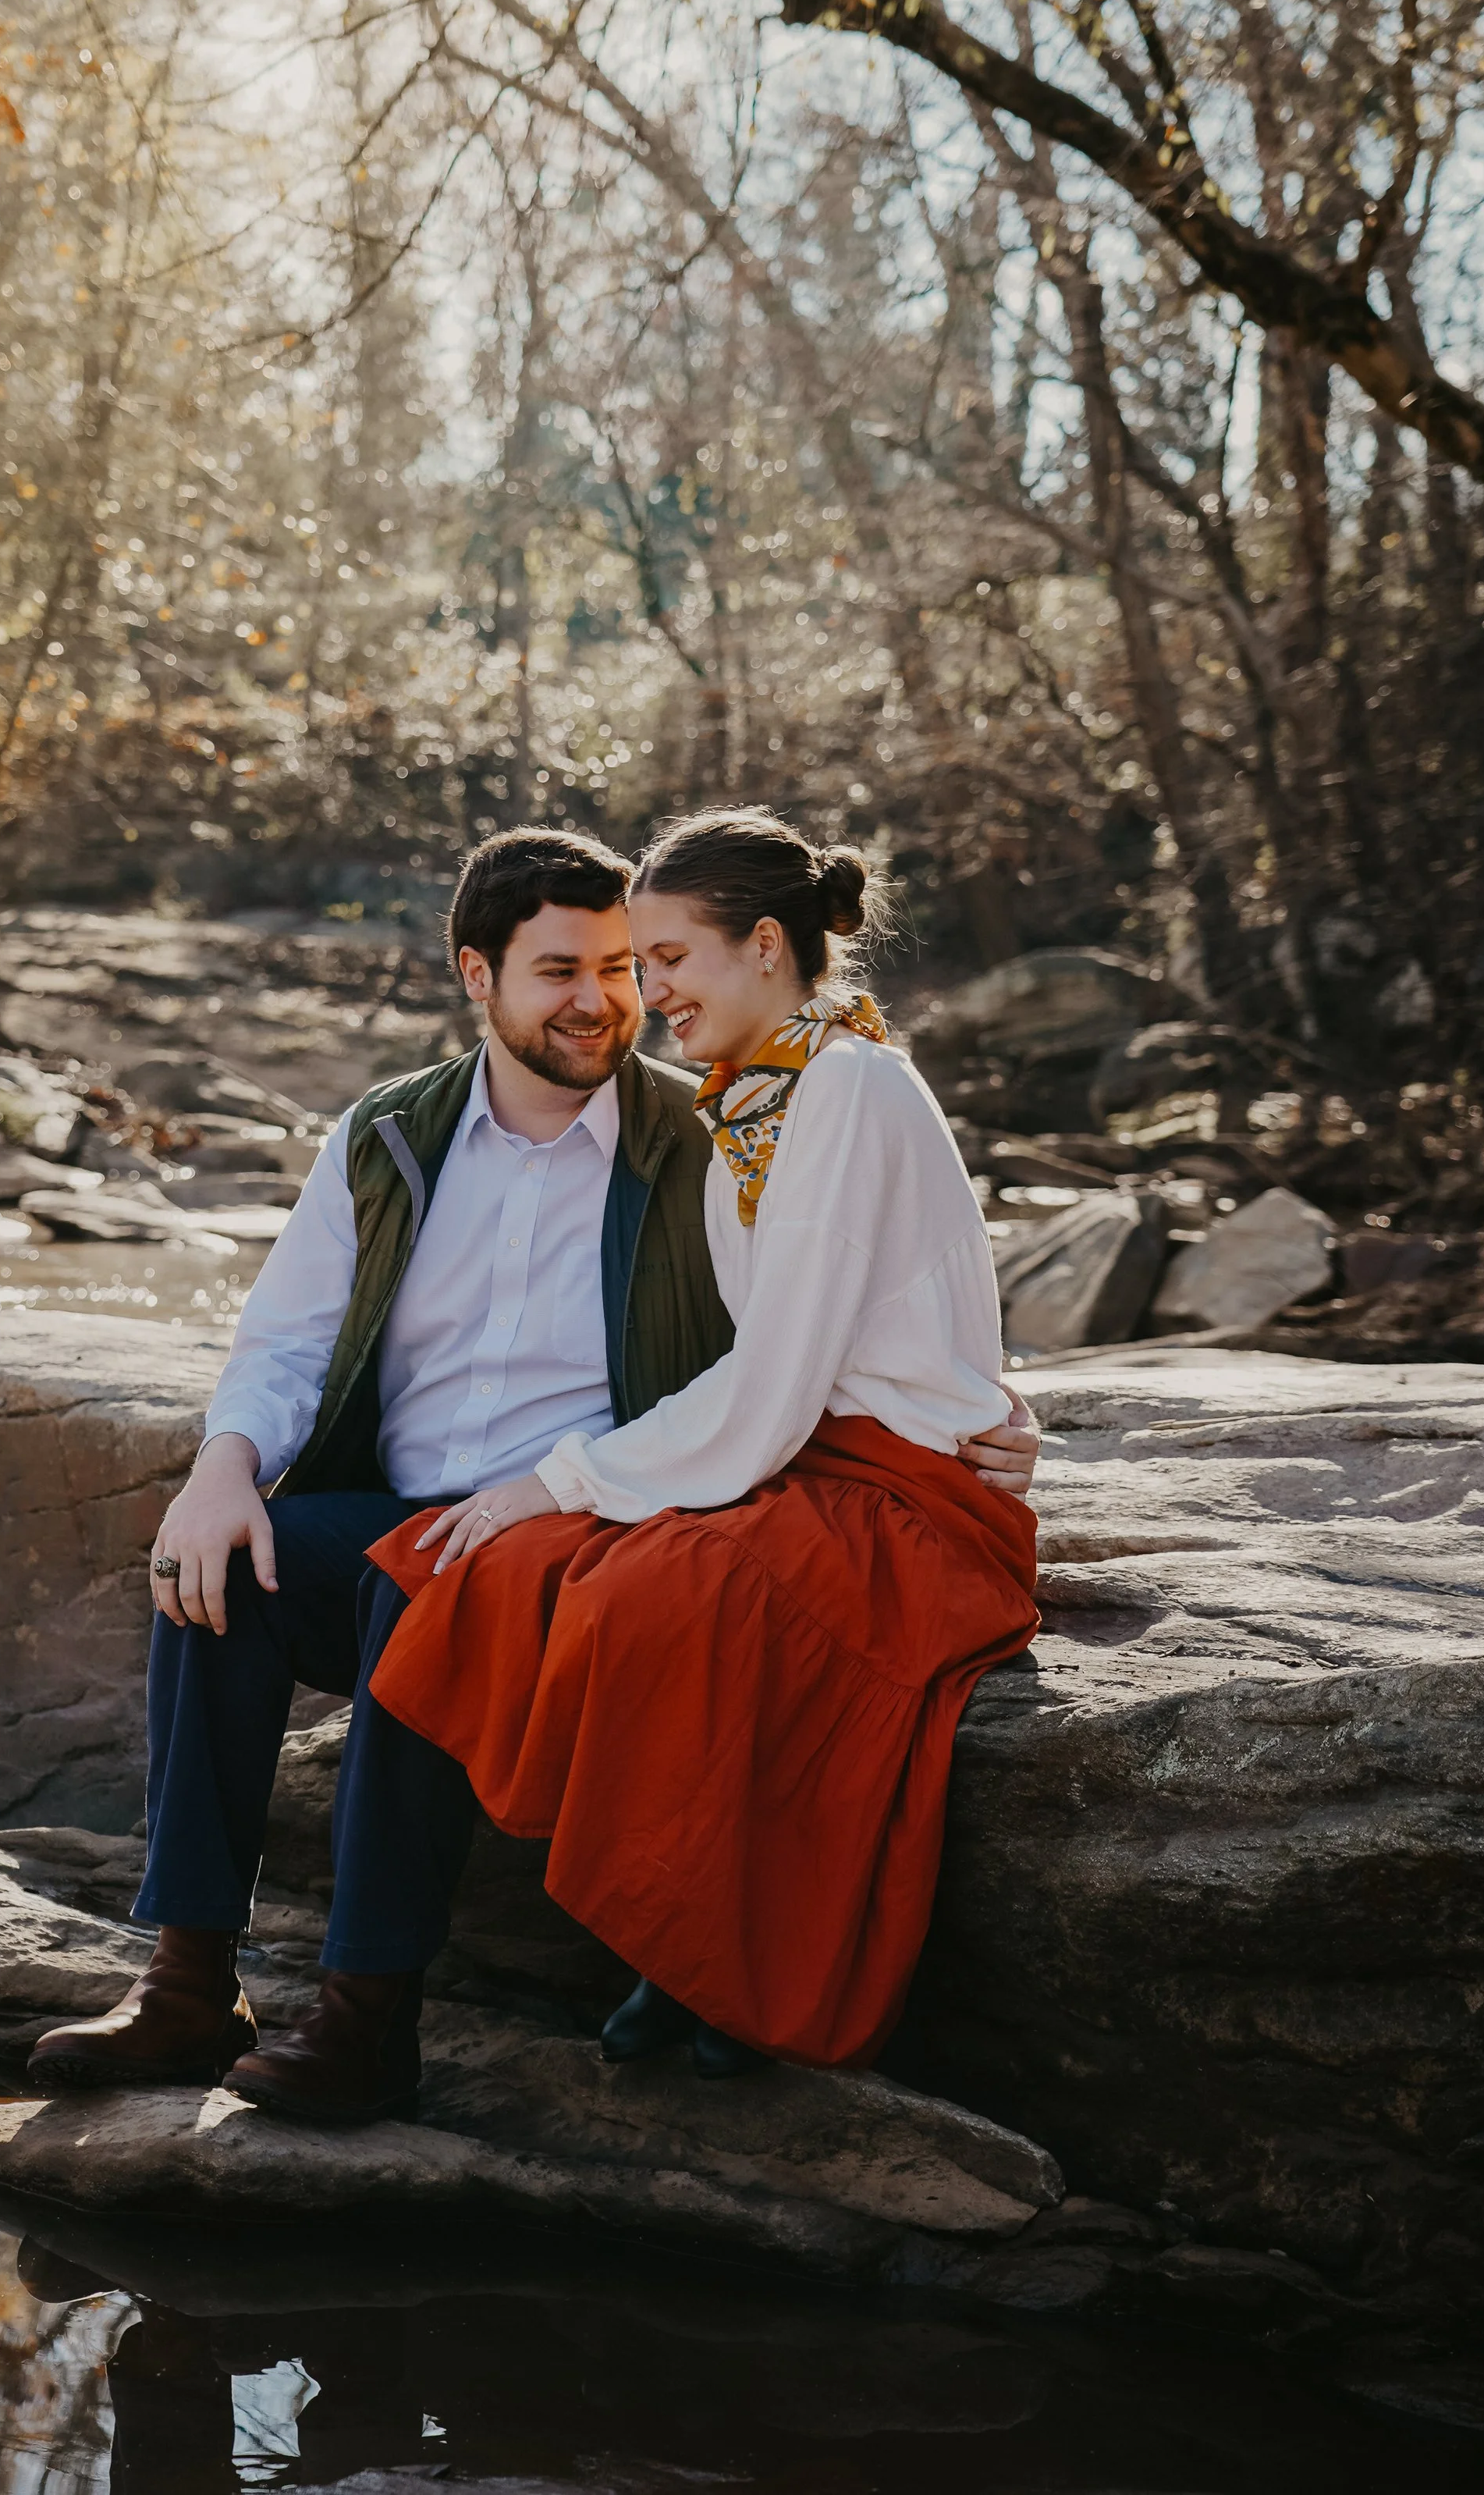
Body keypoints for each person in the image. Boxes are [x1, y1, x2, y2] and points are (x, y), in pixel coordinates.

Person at [27, 823, 1038, 2119]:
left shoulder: (706, 1125)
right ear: (476, 975)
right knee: (223, 1570)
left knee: (428, 1583)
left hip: (577, 1518)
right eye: (563, 969)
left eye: (629, 964)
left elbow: (843, 1303)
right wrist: (222, 1465)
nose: (608, 998)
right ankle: (184, 1982)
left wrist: (1002, 1404)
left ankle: (364, 2014)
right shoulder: (391, 1137)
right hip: (434, 1504)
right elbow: (282, 1338)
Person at [364, 808, 1042, 2076]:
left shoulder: (845, 1084)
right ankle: (656, 1951)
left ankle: (708, 1964)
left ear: (767, 945)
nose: (647, 992)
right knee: (532, 1573)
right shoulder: (777, 1085)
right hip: (822, 1461)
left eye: (668, 957)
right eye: (637, 962)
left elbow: (780, 1374)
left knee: (674, 1591)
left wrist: (553, 1479)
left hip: (909, 1501)